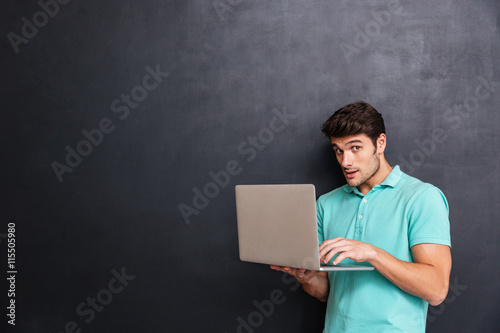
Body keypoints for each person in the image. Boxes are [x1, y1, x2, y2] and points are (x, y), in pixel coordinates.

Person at [271, 101, 451, 332]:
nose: (346, 162)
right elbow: (326, 292)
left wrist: (372, 253)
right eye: (338, 150)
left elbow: (436, 290)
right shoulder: (326, 204)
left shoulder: (422, 197)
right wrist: (307, 278)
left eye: (355, 147)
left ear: (380, 143)